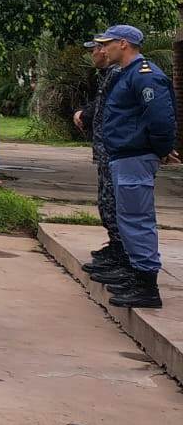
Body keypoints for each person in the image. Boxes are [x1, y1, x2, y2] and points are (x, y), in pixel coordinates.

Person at [90, 25, 176, 310]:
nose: (103, 49)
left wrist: (161, 150)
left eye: (108, 43)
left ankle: (146, 285)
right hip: (124, 156)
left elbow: (161, 118)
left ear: (124, 44)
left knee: (137, 219)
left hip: (135, 156)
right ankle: (135, 274)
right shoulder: (126, 75)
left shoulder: (144, 75)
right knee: (127, 218)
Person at [75, 40, 129, 281]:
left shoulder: (119, 73)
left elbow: (111, 107)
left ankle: (122, 256)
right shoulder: (110, 74)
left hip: (115, 150)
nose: (96, 53)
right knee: (107, 202)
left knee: (117, 204)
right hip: (106, 149)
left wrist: (85, 114)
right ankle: (115, 249)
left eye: (98, 48)